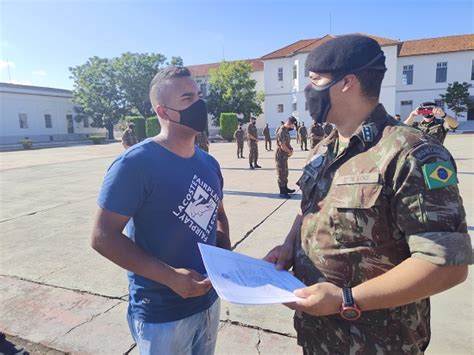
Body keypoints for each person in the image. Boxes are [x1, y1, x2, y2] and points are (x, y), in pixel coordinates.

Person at [264, 35, 471, 354]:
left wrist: (346, 300)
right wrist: (290, 245)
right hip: (318, 334)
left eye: (315, 80)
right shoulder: (323, 149)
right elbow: (309, 208)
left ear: (347, 82)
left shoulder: (411, 154)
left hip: (377, 342)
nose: (307, 90)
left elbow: (445, 265)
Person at [91, 66, 231, 355]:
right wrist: (170, 277)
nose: (199, 104)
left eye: (199, 95)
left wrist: (224, 258)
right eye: (187, 98)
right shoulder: (134, 165)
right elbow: (103, 237)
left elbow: (217, 215)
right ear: (163, 111)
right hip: (161, 314)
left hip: (208, 302)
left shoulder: (209, 164)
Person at [276, 116, 297, 198]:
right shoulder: (281, 131)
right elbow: (282, 145)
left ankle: (285, 188)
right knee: (281, 173)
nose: (293, 127)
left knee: (285, 172)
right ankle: (282, 192)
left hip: (284, 155)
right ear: (290, 123)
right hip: (281, 154)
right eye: (293, 126)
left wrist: (291, 149)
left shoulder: (286, 130)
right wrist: (289, 152)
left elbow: (287, 143)